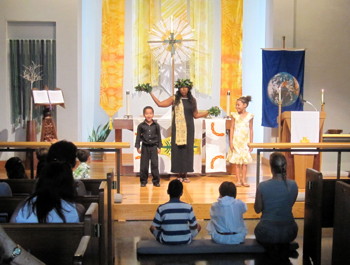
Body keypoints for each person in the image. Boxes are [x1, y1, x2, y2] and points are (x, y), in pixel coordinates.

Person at [150, 79, 208, 183]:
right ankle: (178, 174)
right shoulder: (174, 98)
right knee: (177, 150)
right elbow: (160, 104)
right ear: (179, 88)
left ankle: (185, 174)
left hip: (189, 128)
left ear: (189, 88)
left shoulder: (192, 100)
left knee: (187, 150)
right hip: (178, 128)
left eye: (185, 87)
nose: (183, 89)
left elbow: (195, 115)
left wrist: (208, 112)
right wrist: (150, 92)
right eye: (181, 87)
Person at [254, 152, 298, 259]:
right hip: (290, 232)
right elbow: (289, 204)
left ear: (271, 167)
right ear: (285, 166)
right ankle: (283, 248)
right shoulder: (293, 185)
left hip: (267, 232)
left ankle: (272, 250)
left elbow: (257, 209)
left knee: (260, 232)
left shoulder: (262, 186)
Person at [13, 161, 84, 223]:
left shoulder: (25, 204)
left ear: (41, 181)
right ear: (68, 184)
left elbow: (10, 227)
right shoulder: (78, 210)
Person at [150, 179, 201, 244]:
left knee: (152, 227)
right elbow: (195, 226)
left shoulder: (161, 208)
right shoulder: (188, 207)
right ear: (181, 193)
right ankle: (184, 237)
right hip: (185, 240)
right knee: (199, 226)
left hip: (165, 240)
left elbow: (156, 226)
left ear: (167, 191)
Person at [227, 95, 254, 187]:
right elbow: (232, 128)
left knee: (245, 163)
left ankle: (244, 180)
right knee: (237, 162)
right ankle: (238, 180)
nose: (237, 107)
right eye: (236, 105)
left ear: (245, 105)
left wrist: (251, 143)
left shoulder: (250, 116)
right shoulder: (234, 115)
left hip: (245, 142)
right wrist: (231, 141)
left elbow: (251, 129)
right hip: (236, 141)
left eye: (238, 105)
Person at [135, 106, 162, 187]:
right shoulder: (141, 126)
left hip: (154, 147)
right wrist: (138, 147)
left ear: (153, 114)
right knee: (144, 165)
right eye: (147, 113)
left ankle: (156, 181)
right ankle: (143, 181)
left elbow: (159, 137)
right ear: (144, 115)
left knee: (155, 164)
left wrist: (159, 147)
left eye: (150, 113)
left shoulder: (156, 125)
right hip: (145, 147)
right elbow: (138, 137)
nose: (148, 115)